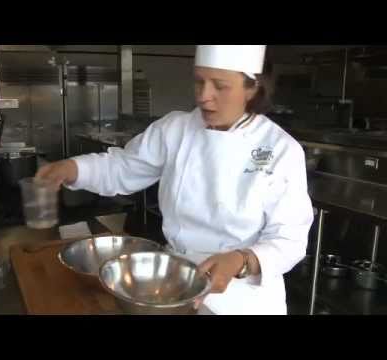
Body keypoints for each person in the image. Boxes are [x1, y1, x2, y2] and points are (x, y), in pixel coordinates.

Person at [36, 45, 314, 315]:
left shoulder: (280, 149)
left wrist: (241, 260)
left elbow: (290, 240)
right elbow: (123, 167)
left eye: (220, 85)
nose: (204, 96)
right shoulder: (176, 128)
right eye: (199, 82)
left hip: (244, 298)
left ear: (252, 87)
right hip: (175, 284)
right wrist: (72, 168)